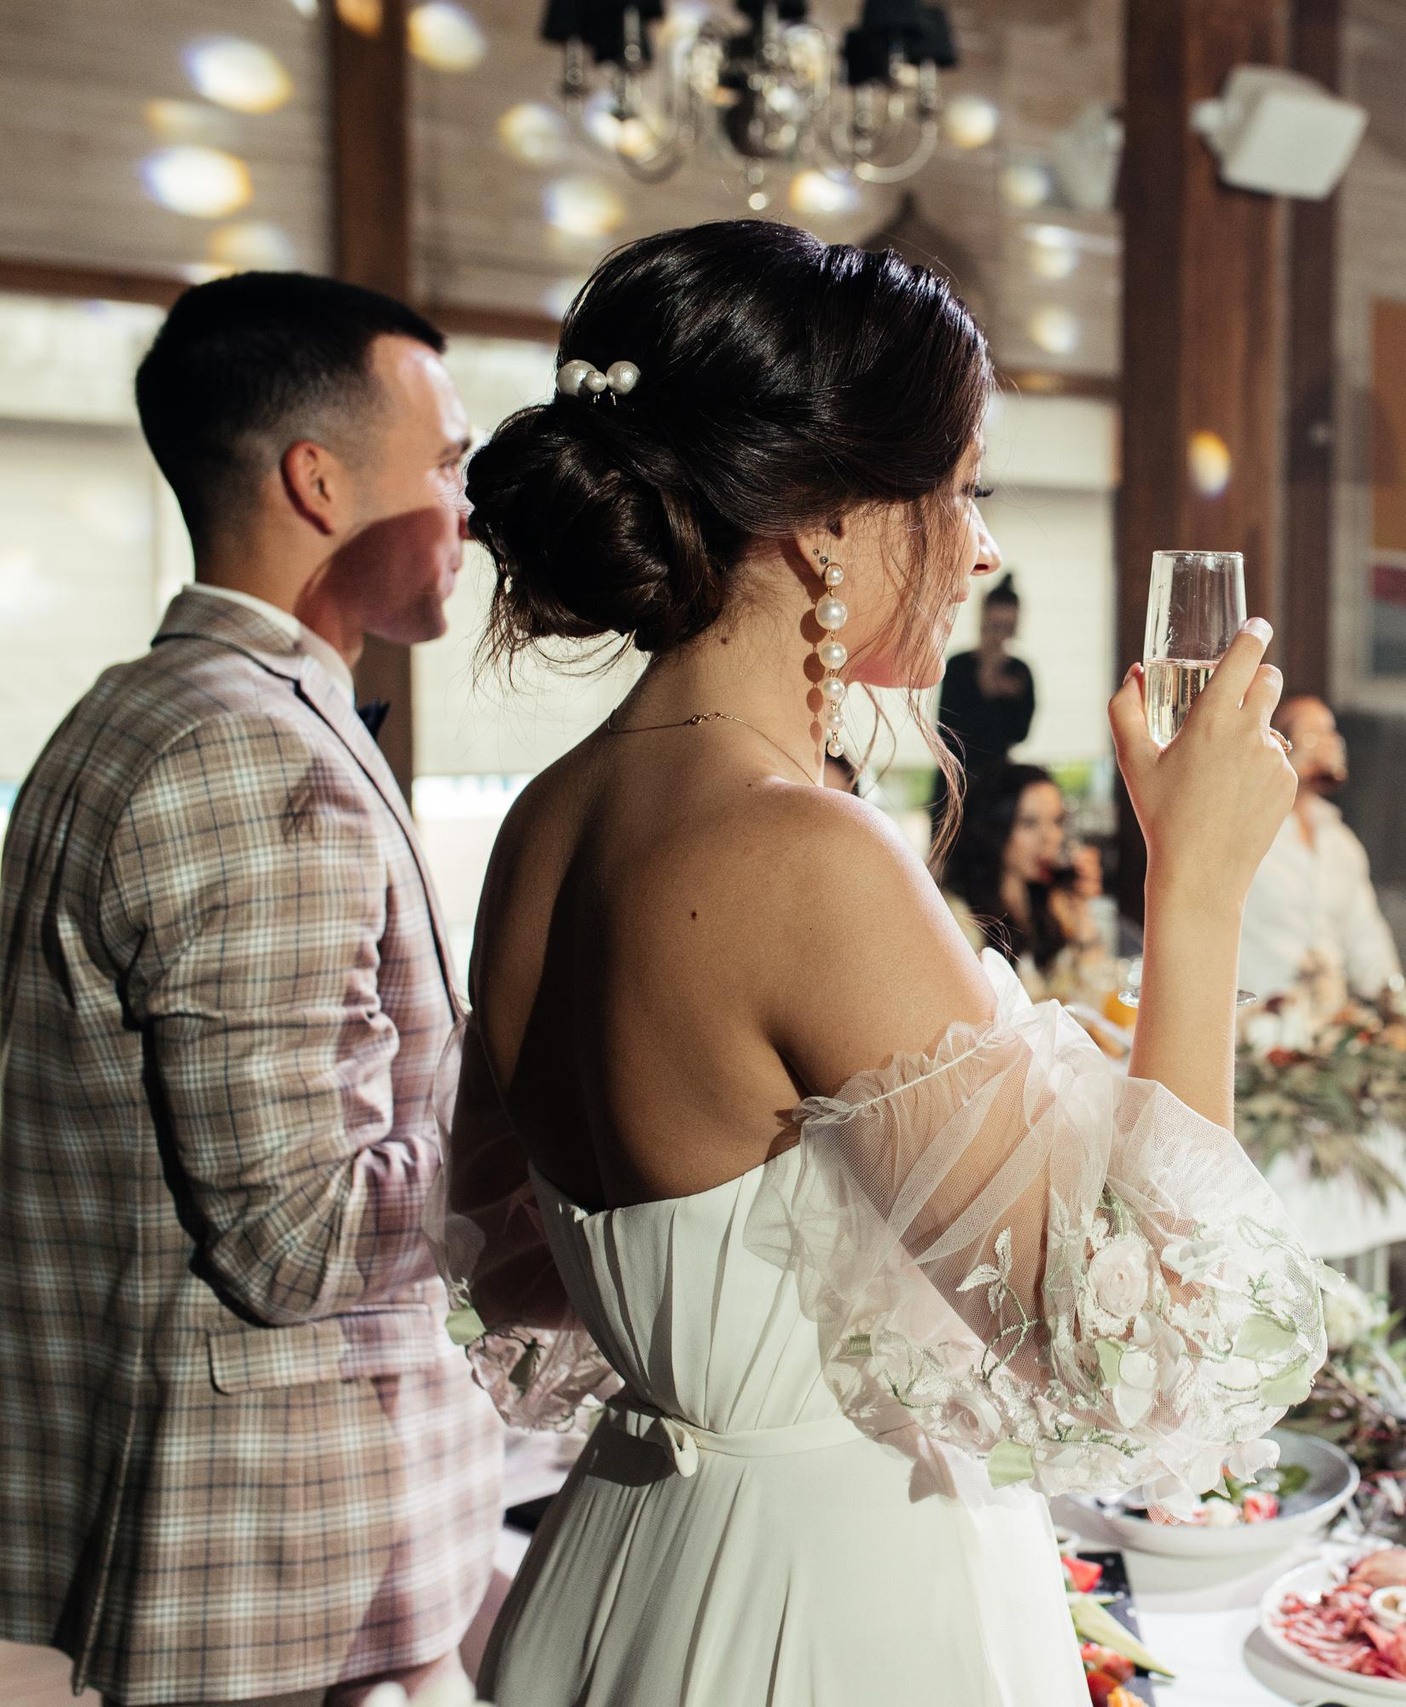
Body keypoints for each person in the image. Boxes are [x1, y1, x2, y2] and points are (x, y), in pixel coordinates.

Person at [440, 222, 1325, 1706]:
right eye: (961, 486)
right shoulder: (805, 857)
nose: (982, 545)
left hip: (617, 1567)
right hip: (832, 1606)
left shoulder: (552, 816)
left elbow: (531, 1261)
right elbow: (1154, 1350)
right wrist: (1202, 888)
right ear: (827, 524)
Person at [0, 273, 502, 1706]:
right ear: (318, 479)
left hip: (267, 1538)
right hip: (284, 1561)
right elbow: (296, 1236)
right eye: (446, 462)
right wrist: (544, 1112)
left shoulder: (158, 702)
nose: (470, 507)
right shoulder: (246, 751)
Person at [1236, 695, 1402, 1005]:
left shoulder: (1340, 841)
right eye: (1310, 733)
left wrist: (1395, 1000)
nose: (1328, 743)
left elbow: (1365, 935)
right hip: (1253, 1018)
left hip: (1328, 1019)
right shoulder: (1244, 829)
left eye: (1330, 731)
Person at [940, 760, 1118, 1009]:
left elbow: (1094, 1008)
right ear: (994, 829)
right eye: (1029, 823)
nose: (1050, 837)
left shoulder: (1053, 905)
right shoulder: (957, 917)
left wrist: (1082, 915)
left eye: (1057, 821)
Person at [933, 573, 1035, 831]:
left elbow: (1021, 733)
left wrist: (1007, 696)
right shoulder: (958, 666)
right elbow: (944, 728)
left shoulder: (1020, 671)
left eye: (1006, 627)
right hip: (955, 782)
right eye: (994, 626)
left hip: (997, 787)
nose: (999, 635)